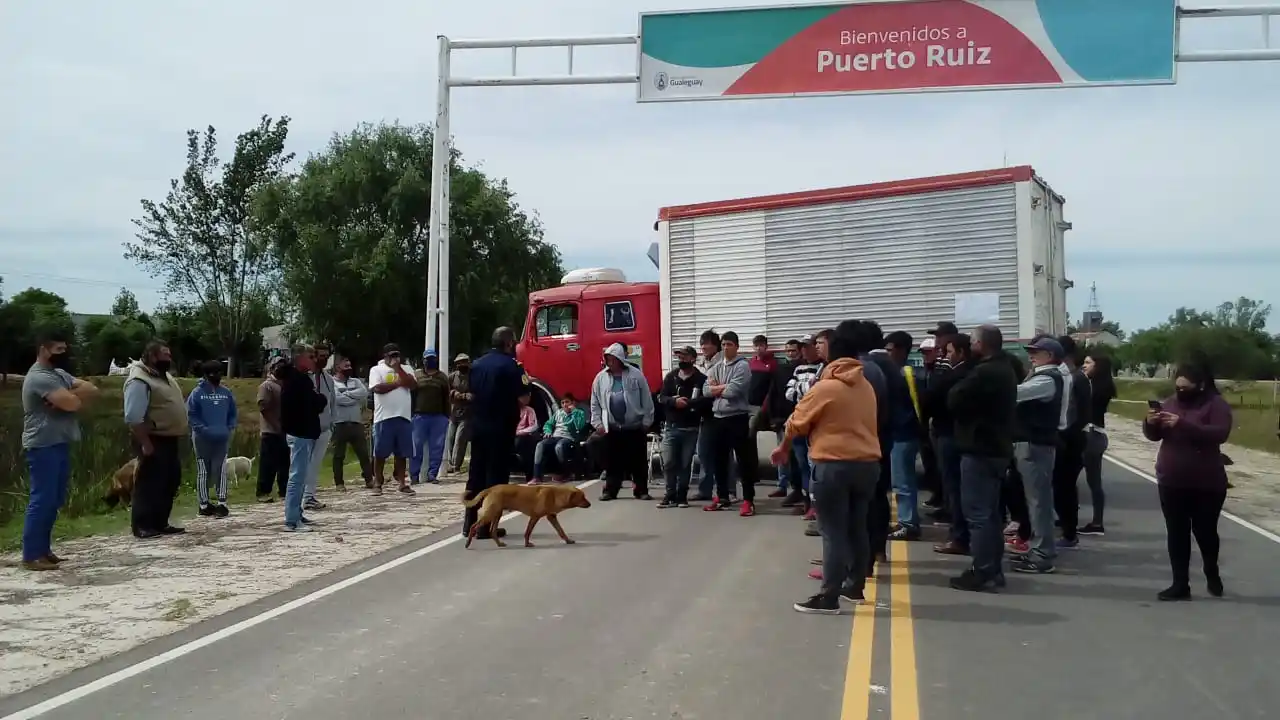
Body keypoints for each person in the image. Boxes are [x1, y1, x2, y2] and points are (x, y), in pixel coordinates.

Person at [776, 322, 882, 614]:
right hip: (867, 464)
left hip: (833, 464)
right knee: (857, 527)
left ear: (833, 356)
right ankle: (854, 585)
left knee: (833, 531)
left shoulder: (826, 387)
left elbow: (797, 421)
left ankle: (829, 596)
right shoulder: (866, 386)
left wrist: (783, 447)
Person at [1143, 361, 1232, 600]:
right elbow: (1155, 436)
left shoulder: (1216, 405)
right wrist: (1151, 424)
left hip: (1207, 482)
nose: (1180, 392)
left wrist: (1183, 423)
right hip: (1171, 479)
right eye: (1178, 387)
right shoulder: (1171, 402)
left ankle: (1211, 570)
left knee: (1204, 531)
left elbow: (1219, 433)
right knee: (1177, 532)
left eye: (1186, 388)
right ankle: (1180, 584)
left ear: (1201, 385)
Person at [945, 324, 1019, 592]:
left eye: (974, 342)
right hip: (995, 448)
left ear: (981, 344)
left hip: (981, 448)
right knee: (989, 514)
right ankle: (992, 568)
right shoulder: (1005, 368)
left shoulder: (986, 372)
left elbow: (955, 398)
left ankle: (983, 569)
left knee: (979, 514)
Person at [20, 330, 97, 570]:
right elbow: (73, 404)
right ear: (44, 349)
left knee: (54, 498)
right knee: (42, 498)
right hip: (43, 443)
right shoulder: (39, 377)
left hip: (59, 441)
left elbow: (91, 390)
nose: (64, 354)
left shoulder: (58, 374)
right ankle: (32, 554)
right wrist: (67, 397)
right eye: (59, 350)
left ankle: (44, 550)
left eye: (65, 349)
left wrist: (63, 396)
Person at [1008, 335, 1068, 575]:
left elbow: (1016, 394)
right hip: (1032, 443)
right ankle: (1039, 550)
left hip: (1035, 445)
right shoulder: (1042, 375)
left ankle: (1043, 554)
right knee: (1035, 501)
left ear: (1050, 356)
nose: (1031, 355)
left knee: (1039, 503)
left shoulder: (1046, 379)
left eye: (1036, 352)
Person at [462, 327, 528, 539]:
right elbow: (524, 398)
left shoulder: (477, 364)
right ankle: (486, 526)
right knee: (496, 479)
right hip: (501, 428)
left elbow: (472, 393)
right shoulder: (512, 366)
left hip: (478, 427)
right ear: (509, 343)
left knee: (476, 475)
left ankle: (469, 523)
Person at [124, 340, 190, 539]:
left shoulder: (164, 376)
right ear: (152, 356)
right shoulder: (139, 380)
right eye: (165, 355)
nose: (169, 358)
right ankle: (142, 525)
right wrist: (145, 443)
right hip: (152, 438)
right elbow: (134, 416)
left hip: (169, 438)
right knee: (149, 482)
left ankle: (160, 522)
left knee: (169, 481)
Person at [591, 342, 656, 502]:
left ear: (620, 358)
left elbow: (646, 399)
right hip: (612, 428)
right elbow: (595, 402)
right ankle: (610, 491)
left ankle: (641, 490)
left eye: (612, 358)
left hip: (634, 426)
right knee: (612, 462)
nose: (609, 361)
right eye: (607, 358)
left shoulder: (636, 375)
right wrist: (598, 423)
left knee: (638, 461)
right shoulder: (600, 378)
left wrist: (647, 421)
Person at [702, 331, 758, 515]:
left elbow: (733, 391)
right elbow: (705, 391)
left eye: (730, 345)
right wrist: (719, 388)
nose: (726, 348)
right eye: (724, 344)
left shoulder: (743, 366)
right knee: (719, 461)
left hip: (737, 418)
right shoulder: (716, 366)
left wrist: (718, 388)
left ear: (737, 346)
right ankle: (722, 496)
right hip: (718, 418)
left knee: (743, 460)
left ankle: (748, 500)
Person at [928, 334, 974, 555]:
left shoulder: (956, 376)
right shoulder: (969, 372)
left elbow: (934, 399)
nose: (945, 356)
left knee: (953, 487)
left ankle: (959, 536)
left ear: (961, 352)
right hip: (957, 434)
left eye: (948, 352)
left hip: (949, 434)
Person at [278, 345, 327, 532]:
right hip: (299, 433)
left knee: (301, 475)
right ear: (299, 358)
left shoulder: (302, 379)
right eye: (310, 356)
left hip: (305, 432)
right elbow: (311, 403)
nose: (313, 360)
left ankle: (297, 512)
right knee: (296, 476)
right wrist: (319, 400)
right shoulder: (294, 380)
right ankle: (291, 520)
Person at [883, 330, 925, 541]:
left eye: (889, 350)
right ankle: (904, 520)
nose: (887, 354)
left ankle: (908, 523)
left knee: (903, 481)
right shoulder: (902, 373)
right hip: (899, 434)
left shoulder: (907, 374)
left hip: (904, 434)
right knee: (899, 480)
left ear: (900, 350)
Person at [656, 345, 708, 508]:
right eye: (679, 357)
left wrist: (688, 404)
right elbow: (661, 397)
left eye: (684, 357)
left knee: (685, 464)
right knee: (669, 462)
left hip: (691, 429)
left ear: (693, 359)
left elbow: (706, 400)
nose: (681, 360)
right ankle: (669, 494)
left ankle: (681, 496)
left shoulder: (701, 379)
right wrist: (673, 402)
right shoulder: (671, 377)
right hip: (671, 427)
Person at [1052, 335, 1091, 550]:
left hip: (1072, 439)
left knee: (1065, 486)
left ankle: (1069, 532)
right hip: (1066, 437)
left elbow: (1083, 413)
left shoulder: (1077, 378)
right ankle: (1066, 523)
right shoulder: (1067, 376)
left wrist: (1066, 433)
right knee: (1060, 486)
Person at [186, 360, 238, 518]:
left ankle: (222, 503)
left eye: (218, 372)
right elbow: (191, 414)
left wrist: (229, 427)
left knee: (220, 469)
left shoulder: (226, 393)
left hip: (221, 437)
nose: (216, 376)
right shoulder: (197, 393)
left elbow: (232, 412)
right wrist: (202, 429)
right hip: (202, 439)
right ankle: (204, 504)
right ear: (206, 375)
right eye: (212, 373)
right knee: (203, 470)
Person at [369, 343, 417, 495]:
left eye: (397, 355)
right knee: (380, 452)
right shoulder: (376, 370)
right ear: (385, 357)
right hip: (384, 417)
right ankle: (378, 482)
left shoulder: (407, 369)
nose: (395, 358)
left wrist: (399, 370)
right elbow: (377, 388)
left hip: (403, 415)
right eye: (391, 356)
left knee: (402, 453)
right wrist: (398, 383)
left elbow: (413, 385)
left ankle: (402, 483)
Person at [1078, 353, 1116, 535]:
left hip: (1091, 434)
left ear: (1098, 366)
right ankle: (1095, 521)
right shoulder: (1103, 386)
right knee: (1092, 481)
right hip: (1097, 435)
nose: (1083, 366)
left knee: (1080, 479)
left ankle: (1096, 522)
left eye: (1087, 363)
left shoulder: (1093, 386)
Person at [786, 335, 823, 512]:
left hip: (815, 423)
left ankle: (817, 504)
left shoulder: (824, 367)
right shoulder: (798, 368)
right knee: (802, 463)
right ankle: (807, 501)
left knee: (813, 463)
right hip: (800, 420)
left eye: (808, 346)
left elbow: (816, 393)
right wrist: (806, 389)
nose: (804, 350)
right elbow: (789, 393)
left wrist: (802, 390)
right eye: (802, 347)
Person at [766, 339, 803, 505]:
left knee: (799, 458)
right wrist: (773, 417)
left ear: (800, 351)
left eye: (793, 350)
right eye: (787, 350)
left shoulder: (803, 368)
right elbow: (773, 393)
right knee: (782, 454)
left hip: (799, 419)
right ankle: (783, 486)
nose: (790, 353)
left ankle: (800, 491)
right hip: (781, 419)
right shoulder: (780, 369)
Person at [302, 343, 337, 511]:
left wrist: (332, 423)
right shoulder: (303, 377)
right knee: (302, 464)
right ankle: (300, 497)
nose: (323, 359)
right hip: (305, 428)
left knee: (315, 464)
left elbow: (332, 403)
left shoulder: (328, 379)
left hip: (324, 428)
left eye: (326, 356)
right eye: (320, 355)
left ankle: (309, 496)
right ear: (313, 356)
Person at [330, 354, 373, 490]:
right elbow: (337, 399)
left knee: (363, 453)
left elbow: (364, 393)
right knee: (339, 455)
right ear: (338, 367)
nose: (349, 368)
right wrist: (353, 397)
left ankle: (369, 480)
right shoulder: (332, 382)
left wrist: (346, 393)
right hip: (339, 423)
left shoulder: (355, 381)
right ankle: (339, 483)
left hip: (356, 422)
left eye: (350, 366)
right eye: (346, 366)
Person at [691, 329, 723, 502]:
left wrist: (711, 389)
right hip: (704, 412)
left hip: (720, 412)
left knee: (722, 454)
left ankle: (728, 490)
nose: (703, 346)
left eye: (707, 343)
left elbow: (719, 387)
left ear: (716, 345)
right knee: (703, 452)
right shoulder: (701, 364)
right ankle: (705, 490)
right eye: (702, 343)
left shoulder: (723, 363)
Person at [411, 349, 451, 485]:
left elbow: (447, 397)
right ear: (423, 360)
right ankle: (414, 476)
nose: (430, 361)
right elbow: (412, 396)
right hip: (419, 416)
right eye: (427, 359)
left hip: (438, 417)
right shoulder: (416, 375)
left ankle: (432, 474)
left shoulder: (442, 377)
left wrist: (447, 416)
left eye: (432, 359)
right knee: (416, 447)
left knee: (437, 447)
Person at [531, 394, 587, 484]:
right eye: (563, 402)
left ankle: (565, 473)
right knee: (540, 445)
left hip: (569, 437)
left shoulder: (579, 413)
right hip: (556, 436)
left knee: (559, 446)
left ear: (573, 403)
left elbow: (579, 426)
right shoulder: (558, 413)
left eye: (567, 402)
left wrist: (574, 412)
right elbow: (548, 424)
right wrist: (548, 431)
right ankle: (537, 477)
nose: (565, 404)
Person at [256, 357, 290, 501]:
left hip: (286, 430)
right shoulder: (267, 386)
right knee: (268, 463)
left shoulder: (286, 384)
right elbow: (263, 407)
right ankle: (263, 492)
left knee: (285, 463)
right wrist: (276, 424)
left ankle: (284, 490)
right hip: (270, 430)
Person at [446, 353, 473, 473]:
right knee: (451, 438)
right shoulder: (452, 377)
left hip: (467, 412)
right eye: (459, 362)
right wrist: (453, 393)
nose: (462, 364)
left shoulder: (473, 376)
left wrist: (466, 396)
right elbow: (445, 389)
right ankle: (451, 463)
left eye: (464, 362)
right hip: (454, 411)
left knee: (460, 439)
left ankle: (456, 465)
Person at [514, 390, 540, 482]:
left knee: (522, 444)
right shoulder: (511, 410)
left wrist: (520, 432)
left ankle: (530, 476)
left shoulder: (529, 410)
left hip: (523, 436)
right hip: (511, 435)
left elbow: (534, 426)